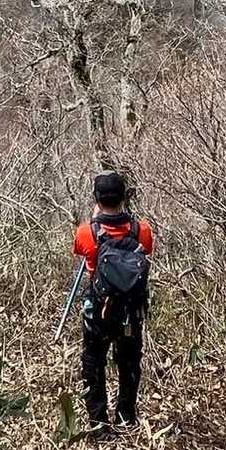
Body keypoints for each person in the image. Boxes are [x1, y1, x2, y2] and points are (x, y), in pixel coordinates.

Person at [73, 170, 155, 434]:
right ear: (124, 197)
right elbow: (147, 252)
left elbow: (81, 252)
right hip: (131, 310)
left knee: (93, 363)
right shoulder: (142, 230)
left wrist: (95, 219)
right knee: (129, 362)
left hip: (98, 310)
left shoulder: (86, 232)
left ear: (96, 198)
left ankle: (99, 424)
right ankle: (126, 418)